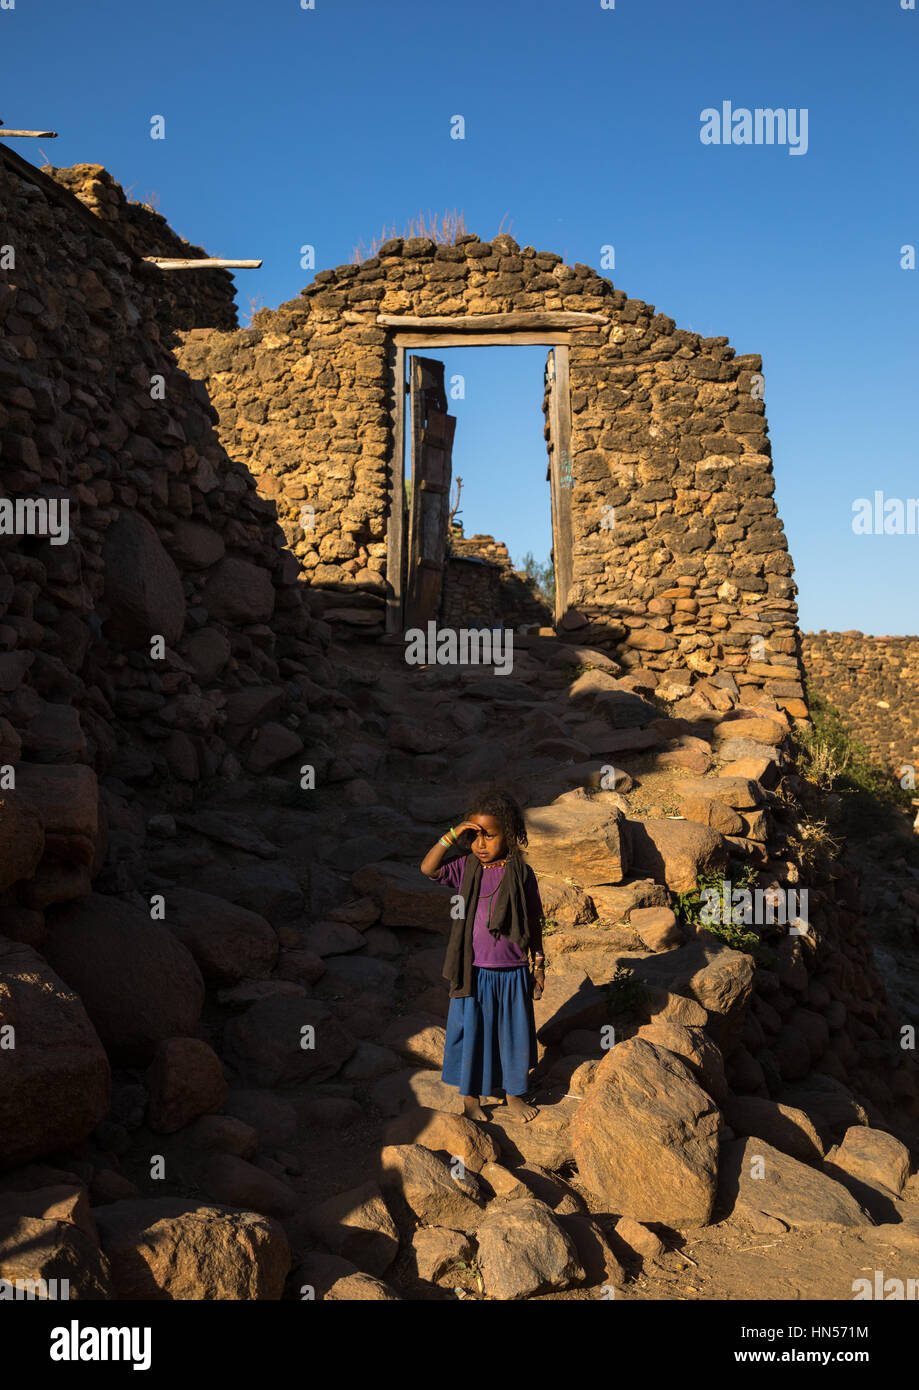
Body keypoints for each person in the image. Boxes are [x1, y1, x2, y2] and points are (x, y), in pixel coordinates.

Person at [420, 786, 545, 1123]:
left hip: (513, 969)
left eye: (489, 836)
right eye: (475, 836)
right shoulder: (465, 867)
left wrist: (538, 963)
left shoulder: (521, 873)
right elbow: (428, 868)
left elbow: (533, 918)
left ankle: (514, 1095)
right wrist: (453, 834)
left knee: (512, 1035)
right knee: (472, 1033)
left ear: (510, 835)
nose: (481, 844)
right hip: (473, 970)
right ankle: (470, 1100)